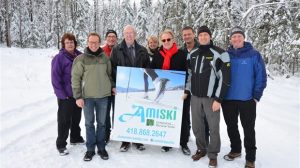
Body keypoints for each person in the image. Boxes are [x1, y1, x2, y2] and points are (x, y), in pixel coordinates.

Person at [222, 26, 267, 168]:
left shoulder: (254, 54)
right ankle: (235, 150)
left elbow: (261, 76)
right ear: (230, 39)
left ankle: (250, 158)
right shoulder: (225, 55)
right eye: (233, 36)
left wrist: (256, 96)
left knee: (248, 129)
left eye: (239, 36)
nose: (236, 39)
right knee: (231, 126)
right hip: (228, 99)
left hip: (247, 99)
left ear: (243, 38)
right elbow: (217, 75)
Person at [186, 26, 231, 168]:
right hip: (195, 97)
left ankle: (213, 154)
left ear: (210, 36)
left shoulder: (220, 53)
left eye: (206, 35)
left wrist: (218, 99)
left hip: (211, 98)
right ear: (197, 37)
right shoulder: (192, 53)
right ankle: (201, 149)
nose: (203, 37)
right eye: (201, 35)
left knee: (213, 127)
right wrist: (187, 90)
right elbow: (189, 75)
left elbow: (226, 78)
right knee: (197, 126)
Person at [72, 32, 115, 161]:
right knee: (89, 124)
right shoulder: (80, 59)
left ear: (99, 42)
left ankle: (101, 148)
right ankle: (90, 149)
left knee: (102, 124)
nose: (94, 44)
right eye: (91, 42)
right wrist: (78, 96)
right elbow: (75, 79)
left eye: (96, 42)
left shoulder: (105, 58)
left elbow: (109, 75)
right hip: (87, 98)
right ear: (87, 42)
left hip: (103, 97)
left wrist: (112, 86)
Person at [150, 29, 191, 155]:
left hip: (182, 92)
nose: (166, 42)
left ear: (173, 39)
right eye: (163, 40)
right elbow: (152, 71)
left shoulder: (182, 54)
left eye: (168, 39)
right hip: (165, 91)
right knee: (167, 116)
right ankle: (167, 141)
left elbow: (190, 73)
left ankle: (183, 143)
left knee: (183, 117)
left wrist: (187, 90)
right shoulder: (157, 55)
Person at [110, 25, 150, 152]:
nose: (129, 35)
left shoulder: (143, 50)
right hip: (122, 88)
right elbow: (111, 69)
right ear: (123, 34)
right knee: (124, 113)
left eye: (131, 33)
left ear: (135, 34)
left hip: (138, 87)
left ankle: (138, 140)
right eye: (126, 33)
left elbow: (148, 69)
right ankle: (125, 140)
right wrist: (114, 86)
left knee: (138, 112)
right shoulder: (116, 50)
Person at [51, 33, 85, 156]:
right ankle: (61, 144)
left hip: (78, 94)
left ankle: (75, 137)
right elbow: (55, 79)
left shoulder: (80, 56)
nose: (70, 44)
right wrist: (62, 95)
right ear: (63, 44)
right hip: (66, 96)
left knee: (76, 118)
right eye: (67, 42)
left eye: (72, 42)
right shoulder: (59, 58)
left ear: (75, 43)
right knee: (64, 121)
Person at [101, 29, 118, 143]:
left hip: (118, 87)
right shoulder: (101, 51)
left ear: (116, 39)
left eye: (113, 37)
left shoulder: (120, 50)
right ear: (106, 38)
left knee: (118, 111)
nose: (111, 38)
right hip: (105, 87)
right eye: (109, 36)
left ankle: (119, 133)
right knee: (105, 112)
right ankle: (106, 134)